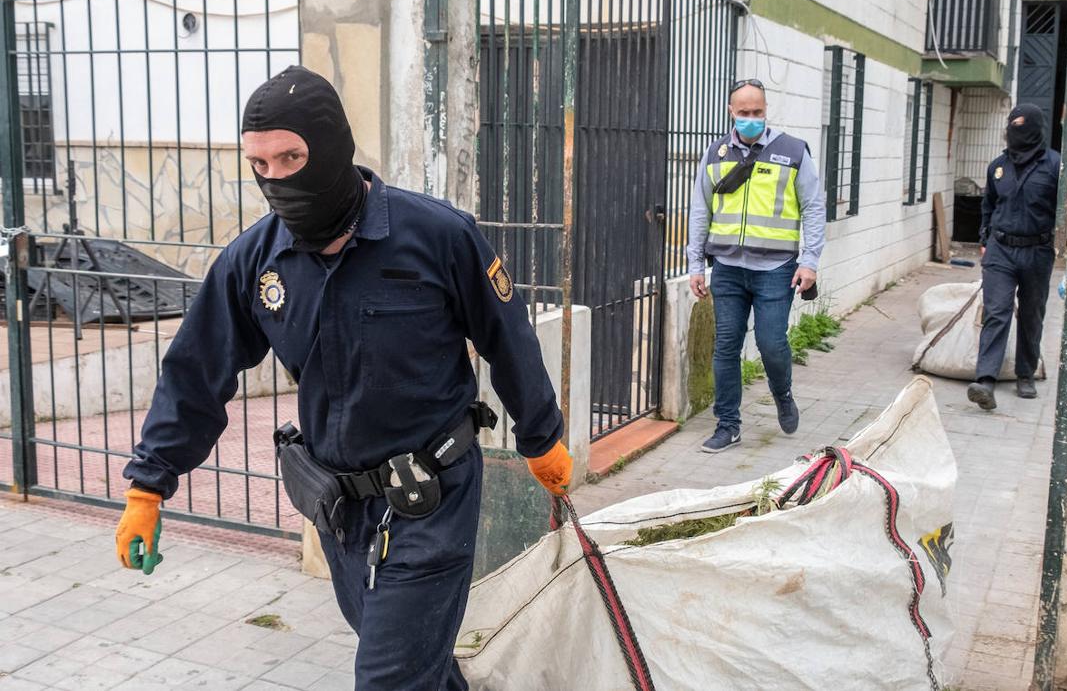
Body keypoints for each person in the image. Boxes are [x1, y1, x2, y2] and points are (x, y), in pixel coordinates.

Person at [113, 66, 572, 689]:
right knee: (419, 667)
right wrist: (149, 484)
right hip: (340, 514)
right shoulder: (254, 262)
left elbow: (509, 338)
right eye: (261, 164)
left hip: (432, 498)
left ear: (330, 148)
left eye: (291, 157)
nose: (275, 179)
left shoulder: (437, 236)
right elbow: (196, 373)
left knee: (388, 677)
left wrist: (541, 438)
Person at [686, 79, 826, 453]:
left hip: (776, 267)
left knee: (771, 343)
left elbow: (813, 206)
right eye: (744, 113)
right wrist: (695, 264)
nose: (751, 119)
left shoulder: (793, 151)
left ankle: (783, 394)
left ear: (766, 110)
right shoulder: (715, 154)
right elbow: (701, 209)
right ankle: (727, 425)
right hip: (728, 267)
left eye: (757, 112)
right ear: (731, 112)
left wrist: (809, 261)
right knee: (726, 346)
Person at [967, 103, 1062, 410]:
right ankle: (985, 381)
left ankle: (1026, 374)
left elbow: (1065, 208)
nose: (1013, 132)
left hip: (1037, 250)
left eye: (1020, 126)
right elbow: (988, 205)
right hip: (1001, 250)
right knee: (997, 311)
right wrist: (985, 238)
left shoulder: (1054, 166)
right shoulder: (998, 166)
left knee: (1032, 313)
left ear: (1035, 128)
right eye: (1011, 126)